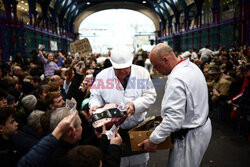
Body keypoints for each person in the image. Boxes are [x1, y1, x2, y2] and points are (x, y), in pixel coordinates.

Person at [138, 43, 212, 167]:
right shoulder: (191, 67)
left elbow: (173, 119)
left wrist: (153, 140)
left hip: (188, 136)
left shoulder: (176, 80)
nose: (155, 70)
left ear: (165, 60)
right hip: (201, 125)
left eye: (156, 66)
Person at [89, 46, 157, 167]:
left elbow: (150, 96)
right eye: (118, 69)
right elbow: (95, 96)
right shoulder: (102, 76)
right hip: (113, 130)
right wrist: (94, 106)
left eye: (125, 68)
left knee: (139, 162)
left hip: (136, 127)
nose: (122, 72)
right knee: (116, 161)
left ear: (131, 63)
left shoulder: (142, 73)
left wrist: (135, 105)